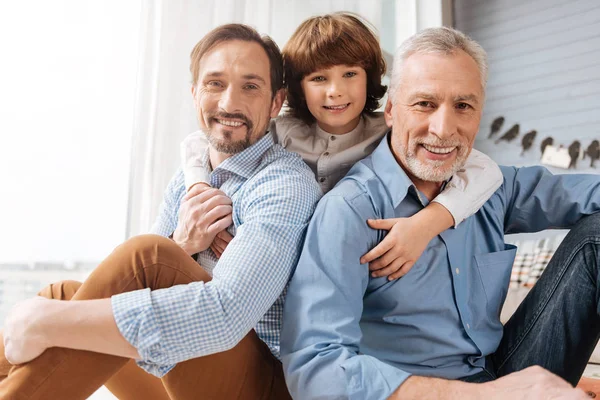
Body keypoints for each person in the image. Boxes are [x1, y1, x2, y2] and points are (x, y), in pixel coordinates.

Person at [0, 23, 322, 399]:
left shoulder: (284, 181)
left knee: (148, 258)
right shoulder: (183, 181)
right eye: (215, 83)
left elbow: (225, 317)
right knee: (60, 297)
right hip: (184, 376)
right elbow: (137, 283)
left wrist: (47, 324)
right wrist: (180, 244)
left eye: (250, 86)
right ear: (194, 93)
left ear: (275, 102)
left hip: (261, 385)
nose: (229, 103)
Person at [281, 26, 600, 400]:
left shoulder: (492, 187)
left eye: (463, 106)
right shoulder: (349, 210)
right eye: (424, 104)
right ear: (391, 111)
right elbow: (315, 368)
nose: (444, 129)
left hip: (500, 370)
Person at [181, 13, 503, 279]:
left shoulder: (389, 128)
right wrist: (199, 188)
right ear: (297, 88)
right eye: (319, 79)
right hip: (278, 265)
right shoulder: (282, 131)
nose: (335, 91)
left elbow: (484, 168)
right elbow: (198, 140)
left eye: (350, 74)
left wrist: (426, 224)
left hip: (350, 265)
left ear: (371, 79)